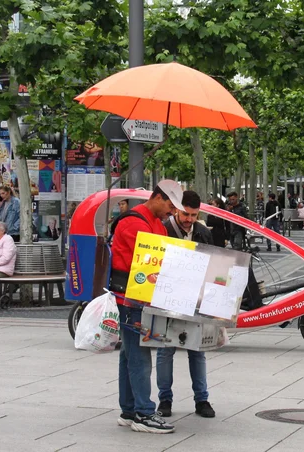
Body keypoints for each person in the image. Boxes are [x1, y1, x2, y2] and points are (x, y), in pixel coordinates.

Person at [110, 179, 183, 434]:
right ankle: (143, 413)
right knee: (139, 356)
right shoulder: (133, 222)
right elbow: (148, 264)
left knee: (129, 354)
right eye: (171, 206)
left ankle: (129, 410)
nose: (172, 212)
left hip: (140, 297)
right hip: (130, 299)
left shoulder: (155, 224)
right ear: (158, 197)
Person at [157, 191, 215, 419]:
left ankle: (202, 399)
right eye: (185, 214)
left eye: (194, 215)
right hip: (166, 297)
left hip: (195, 300)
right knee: (165, 350)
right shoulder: (162, 229)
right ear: (176, 209)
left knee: (197, 351)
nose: (189, 219)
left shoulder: (202, 232)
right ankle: (165, 399)